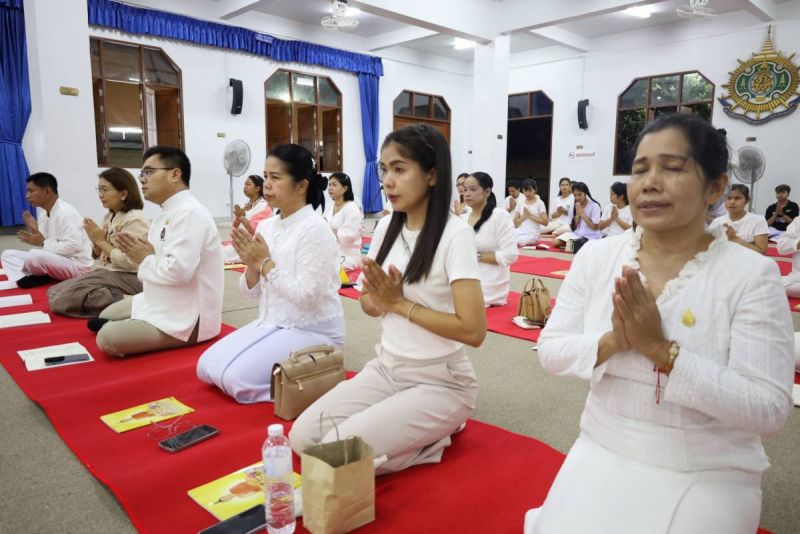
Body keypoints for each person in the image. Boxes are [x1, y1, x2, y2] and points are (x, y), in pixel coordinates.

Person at [525, 113, 793, 534]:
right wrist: (615, 339)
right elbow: (551, 351)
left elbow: (769, 409)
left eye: (672, 168)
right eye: (639, 170)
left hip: (706, 467)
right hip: (602, 445)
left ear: (716, 186)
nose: (649, 182)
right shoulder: (597, 258)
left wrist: (662, 351)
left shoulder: (750, 275)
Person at [289, 124, 486, 475]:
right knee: (302, 439)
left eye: (399, 169)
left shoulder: (456, 236)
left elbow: (473, 331)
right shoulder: (385, 228)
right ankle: (412, 434)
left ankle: (433, 437)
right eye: (384, 169)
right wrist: (380, 299)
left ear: (431, 175)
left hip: (441, 380)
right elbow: (367, 303)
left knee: (330, 457)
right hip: (387, 368)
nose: (387, 180)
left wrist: (399, 304)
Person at [197, 144, 344, 403]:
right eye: (265, 176)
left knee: (234, 379)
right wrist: (251, 265)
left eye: (275, 178)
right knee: (206, 366)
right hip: (273, 322)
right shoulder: (266, 225)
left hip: (313, 331)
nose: (266, 184)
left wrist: (264, 262)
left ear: (301, 185)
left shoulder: (315, 229)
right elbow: (250, 293)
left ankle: (319, 380)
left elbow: (308, 297)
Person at [93, 146, 224, 357]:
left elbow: (177, 272)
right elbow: (154, 261)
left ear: (175, 174)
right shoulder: (165, 213)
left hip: (187, 314)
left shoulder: (190, 213)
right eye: (141, 174)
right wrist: (141, 255)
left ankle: (180, 333)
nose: (142, 180)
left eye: (149, 172)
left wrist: (144, 257)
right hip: (157, 298)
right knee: (105, 315)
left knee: (106, 338)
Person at [47, 168, 149, 317]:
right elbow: (101, 254)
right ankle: (113, 296)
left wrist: (101, 241)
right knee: (54, 291)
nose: (101, 195)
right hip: (109, 272)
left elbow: (130, 263)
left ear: (123, 194)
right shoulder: (109, 216)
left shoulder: (135, 219)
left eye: (105, 190)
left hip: (129, 276)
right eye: (99, 189)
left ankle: (126, 301)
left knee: (62, 298)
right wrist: (96, 246)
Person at [1, 173, 92, 288]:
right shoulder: (44, 214)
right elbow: (45, 246)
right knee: (8, 254)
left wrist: (43, 242)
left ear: (47, 192)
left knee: (35, 255)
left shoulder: (66, 212)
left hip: (76, 266)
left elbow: (74, 246)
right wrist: (35, 231)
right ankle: (23, 279)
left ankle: (39, 276)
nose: (27, 196)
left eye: (31, 191)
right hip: (56, 260)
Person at [462, 172, 518, 306]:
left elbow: (511, 255)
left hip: (490, 283)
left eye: (473, 189)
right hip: (465, 275)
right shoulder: (464, 217)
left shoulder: (499, 216)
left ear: (487, 192)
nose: (467, 193)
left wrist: (477, 256)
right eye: (465, 190)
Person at [221, 175, 272, 263]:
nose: (245, 187)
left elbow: (256, 230)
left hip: (252, 245)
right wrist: (237, 219)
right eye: (244, 184)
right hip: (240, 242)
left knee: (219, 254)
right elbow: (235, 228)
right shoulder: (244, 205)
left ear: (258, 188)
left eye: (248, 184)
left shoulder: (264, 206)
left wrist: (242, 217)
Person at [709, 184, 768, 255]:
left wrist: (735, 239)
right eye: (728, 198)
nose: (732, 202)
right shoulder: (717, 222)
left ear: (747, 200)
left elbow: (762, 251)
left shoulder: (758, 220)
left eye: (737, 198)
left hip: (749, 263)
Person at [323, 172, 364, 271]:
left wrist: (332, 230)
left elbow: (350, 237)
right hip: (330, 252)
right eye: (329, 184)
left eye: (334, 184)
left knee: (325, 269)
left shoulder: (352, 209)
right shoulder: (329, 206)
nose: (330, 188)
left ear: (345, 188)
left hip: (347, 256)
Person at [551, 182, 602, 250]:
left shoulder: (594, 206)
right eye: (575, 195)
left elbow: (595, 227)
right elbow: (573, 228)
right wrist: (578, 215)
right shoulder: (575, 206)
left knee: (576, 246)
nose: (577, 197)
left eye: (579, 195)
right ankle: (572, 244)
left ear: (585, 193)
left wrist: (582, 214)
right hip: (577, 234)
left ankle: (573, 245)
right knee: (555, 242)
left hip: (591, 236)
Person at [513, 179, 548, 246]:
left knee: (519, 241)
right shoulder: (520, 202)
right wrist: (524, 217)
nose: (528, 193)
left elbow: (545, 222)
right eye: (525, 191)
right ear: (522, 190)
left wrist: (530, 216)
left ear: (535, 190)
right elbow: (515, 223)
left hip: (533, 234)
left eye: (530, 190)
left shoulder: (540, 203)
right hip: (520, 232)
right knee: (505, 236)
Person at [777, 216, 800, 298]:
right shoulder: (798, 221)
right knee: (771, 284)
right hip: (797, 278)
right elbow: (781, 247)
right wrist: (798, 243)